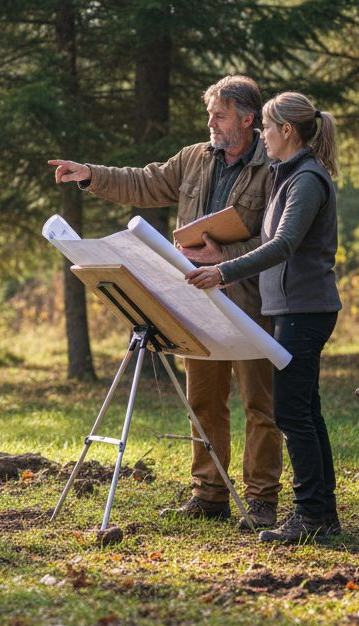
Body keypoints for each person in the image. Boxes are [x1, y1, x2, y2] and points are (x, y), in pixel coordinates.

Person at [48, 75, 282, 530]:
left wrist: (227, 256)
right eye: (210, 113)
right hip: (195, 299)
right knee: (203, 401)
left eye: (220, 114)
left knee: (261, 406)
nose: (211, 122)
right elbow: (145, 181)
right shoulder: (194, 158)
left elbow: (279, 240)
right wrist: (91, 174)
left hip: (251, 302)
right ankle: (209, 494)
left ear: (248, 119)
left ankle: (261, 501)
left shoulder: (272, 167)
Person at [185, 91, 342, 543]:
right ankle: (322, 514)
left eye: (268, 129)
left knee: (292, 415)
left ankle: (311, 516)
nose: (263, 137)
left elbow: (284, 244)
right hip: (289, 310)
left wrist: (223, 270)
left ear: (286, 131)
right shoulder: (287, 175)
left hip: (303, 312)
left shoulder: (306, 179)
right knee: (305, 413)